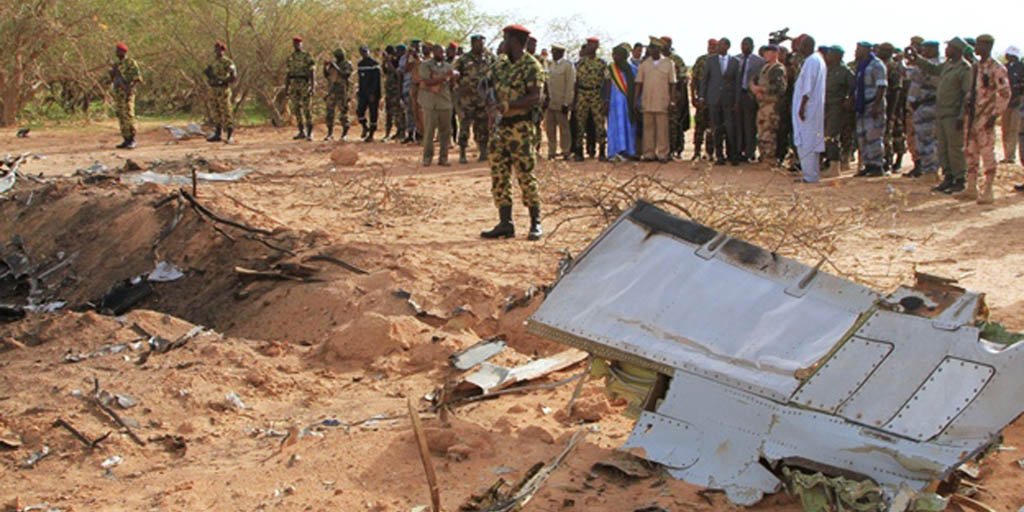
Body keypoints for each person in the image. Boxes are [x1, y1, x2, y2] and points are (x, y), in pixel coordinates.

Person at [480, 24, 544, 241]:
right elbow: (484, 83)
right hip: (500, 129)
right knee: (499, 175)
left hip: (521, 128)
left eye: (506, 39)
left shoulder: (531, 66)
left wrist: (507, 105)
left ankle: (535, 223)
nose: (503, 43)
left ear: (515, 41)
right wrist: (490, 102)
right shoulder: (501, 65)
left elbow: (535, 97)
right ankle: (505, 223)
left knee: (526, 175)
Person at [911, 37, 972, 193]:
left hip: (953, 115)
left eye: (949, 47)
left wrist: (961, 116)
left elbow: (967, 95)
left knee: (955, 148)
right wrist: (916, 58)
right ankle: (948, 177)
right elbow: (932, 69)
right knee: (943, 148)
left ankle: (960, 179)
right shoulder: (947, 65)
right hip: (941, 113)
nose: (946, 50)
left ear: (957, 50)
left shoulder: (965, 68)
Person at [962, 34, 1011, 203]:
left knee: (987, 152)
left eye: (979, 45)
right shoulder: (976, 67)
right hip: (973, 116)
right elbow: (973, 90)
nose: (976, 48)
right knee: (970, 151)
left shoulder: (996, 68)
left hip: (985, 116)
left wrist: (994, 115)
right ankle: (971, 187)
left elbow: (1005, 93)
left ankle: (988, 190)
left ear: (988, 46)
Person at [454, 35, 495, 163]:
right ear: (472, 44)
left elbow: (495, 74)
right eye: (478, 43)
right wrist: (460, 87)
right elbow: (455, 75)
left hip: (483, 98)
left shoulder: (490, 58)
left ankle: (483, 151)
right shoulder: (464, 59)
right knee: (465, 124)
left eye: (483, 43)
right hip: (467, 99)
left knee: (482, 126)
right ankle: (462, 153)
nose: (481, 46)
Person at [635, 37, 677, 162]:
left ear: (659, 49)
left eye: (654, 48)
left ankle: (663, 154)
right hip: (647, 100)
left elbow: (672, 83)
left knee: (662, 129)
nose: (652, 51)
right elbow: (639, 83)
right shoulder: (644, 64)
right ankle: (649, 153)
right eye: (650, 48)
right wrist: (635, 100)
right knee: (648, 128)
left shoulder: (669, 63)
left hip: (662, 100)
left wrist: (672, 100)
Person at [792, 35, 826, 183]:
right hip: (813, 109)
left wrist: (802, 107)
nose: (798, 49)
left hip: (808, 109)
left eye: (800, 46)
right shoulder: (817, 59)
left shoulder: (812, 61)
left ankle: (810, 176)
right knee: (810, 141)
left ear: (806, 46)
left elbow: (807, 88)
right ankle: (811, 174)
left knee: (806, 142)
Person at [701, 38, 741, 165]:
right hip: (714, 99)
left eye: (720, 45)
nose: (718, 47)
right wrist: (702, 96)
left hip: (728, 100)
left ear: (727, 47)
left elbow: (737, 83)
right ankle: (719, 155)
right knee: (716, 128)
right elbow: (705, 80)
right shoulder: (711, 61)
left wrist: (737, 100)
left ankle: (732, 155)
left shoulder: (735, 62)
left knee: (730, 128)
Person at [904, 41, 940, 178]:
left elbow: (925, 78)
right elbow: (909, 75)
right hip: (919, 108)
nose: (923, 52)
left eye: (926, 49)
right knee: (921, 140)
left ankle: (931, 171)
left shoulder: (935, 66)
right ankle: (926, 169)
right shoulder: (923, 64)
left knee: (929, 140)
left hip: (929, 106)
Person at [853, 41, 888, 176]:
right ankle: (867, 164)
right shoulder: (861, 65)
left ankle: (877, 165)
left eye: (859, 49)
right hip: (861, 105)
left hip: (872, 104)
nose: (856, 51)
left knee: (873, 136)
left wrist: (876, 105)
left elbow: (882, 86)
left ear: (866, 50)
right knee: (862, 136)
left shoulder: (877, 65)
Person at [419, 44, 457, 166]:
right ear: (433, 52)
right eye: (439, 51)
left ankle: (443, 158)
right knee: (429, 132)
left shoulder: (448, 66)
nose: (442, 54)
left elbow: (452, 84)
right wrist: (445, 77)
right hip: (430, 103)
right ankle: (427, 158)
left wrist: (453, 78)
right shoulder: (426, 65)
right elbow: (427, 81)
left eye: (443, 52)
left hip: (445, 103)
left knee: (445, 133)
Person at [573, 37, 609, 161]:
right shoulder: (579, 64)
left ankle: (602, 151)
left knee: (599, 124)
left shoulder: (602, 63)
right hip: (582, 94)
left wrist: (606, 100)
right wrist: (574, 99)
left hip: (596, 94)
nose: (590, 47)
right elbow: (576, 82)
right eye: (588, 44)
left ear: (597, 46)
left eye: (593, 45)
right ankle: (579, 151)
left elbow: (607, 81)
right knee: (580, 123)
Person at [750, 44, 786, 165]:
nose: (766, 55)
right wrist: (754, 88)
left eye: (769, 52)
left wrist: (762, 90)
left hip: (772, 106)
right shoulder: (764, 68)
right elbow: (753, 80)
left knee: (770, 132)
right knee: (762, 131)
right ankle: (764, 156)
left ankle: (770, 158)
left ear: (775, 53)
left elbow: (780, 88)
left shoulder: (778, 69)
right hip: (762, 105)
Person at [606, 43, 638, 162]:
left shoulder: (633, 70)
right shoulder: (610, 69)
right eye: (614, 55)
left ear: (624, 56)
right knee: (614, 126)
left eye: (618, 55)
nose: (615, 57)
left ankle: (628, 151)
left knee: (628, 126)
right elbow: (607, 85)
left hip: (628, 104)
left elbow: (637, 87)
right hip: (614, 104)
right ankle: (614, 151)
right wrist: (607, 100)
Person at [824, 46, 854, 169]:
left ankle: (834, 165)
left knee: (831, 136)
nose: (827, 56)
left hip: (836, 107)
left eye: (830, 54)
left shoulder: (845, 72)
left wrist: (848, 101)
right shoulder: (826, 69)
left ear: (837, 56)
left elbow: (853, 90)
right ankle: (827, 161)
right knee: (824, 135)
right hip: (825, 106)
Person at [736, 37, 765, 162]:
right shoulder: (736, 59)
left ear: (752, 46)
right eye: (743, 44)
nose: (745, 47)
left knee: (750, 125)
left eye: (747, 45)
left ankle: (749, 152)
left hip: (750, 96)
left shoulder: (759, 62)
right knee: (739, 124)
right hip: (738, 95)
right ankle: (739, 150)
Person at [661, 36, 690, 160]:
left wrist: (681, 97)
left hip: (675, 95)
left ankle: (676, 148)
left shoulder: (677, 60)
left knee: (675, 123)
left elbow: (683, 80)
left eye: (666, 43)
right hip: (659, 94)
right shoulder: (656, 59)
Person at [545, 44, 576, 160]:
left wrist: (567, 103)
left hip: (561, 102)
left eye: (554, 52)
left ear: (560, 53)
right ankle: (551, 151)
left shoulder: (568, 66)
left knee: (564, 129)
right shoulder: (551, 65)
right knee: (550, 128)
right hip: (550, 102)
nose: (552, 54)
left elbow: (570, 85)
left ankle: (566, 151)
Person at [110, 42, 142, 149]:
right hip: (119, 94)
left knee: (129, 115)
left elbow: (137, 79)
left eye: (118, 51)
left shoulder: (131, 63)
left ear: (123, 52)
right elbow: (112, 79)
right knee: (121, 115)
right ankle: (126, 139)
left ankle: (132, 139)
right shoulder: (117, 65)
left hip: (127, 93)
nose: (116, 53)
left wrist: (130, 89)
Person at [204, 41, 237, 144]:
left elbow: (234, 76)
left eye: (220, 49)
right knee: (215, 111)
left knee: (226, 111)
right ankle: (217, 134)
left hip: (223, 89)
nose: (218, 51)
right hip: (214, 89)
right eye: (216, 49)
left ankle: (230, 135)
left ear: (223, 50)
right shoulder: (213, 62)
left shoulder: (228, 62)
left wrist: (221, 80)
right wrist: (210, 78)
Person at [691, 39, 717, 160]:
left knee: (712, 127)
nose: (711, 48)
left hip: (715, 100)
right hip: (702, 99)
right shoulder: (701, 60)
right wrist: (693, 97)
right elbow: (693, 80)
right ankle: (696, 151)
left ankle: (710, 152)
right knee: (699, 126)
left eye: (713, 46)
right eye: (710, 46)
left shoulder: (719, 62)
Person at [285, 36, 315, 140]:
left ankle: (310, 132)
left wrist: (313, 85)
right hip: (294, 84)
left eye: (298, 43)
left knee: (307, 108)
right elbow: (288, 73)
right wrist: (286, 87)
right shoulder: (291, 57)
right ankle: (301, 131)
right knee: (296, 108)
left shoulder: (307, 56)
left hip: (304, 83)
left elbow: (312, 71)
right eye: (295, 43)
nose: (296, 45)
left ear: (301, 44)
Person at [323, 48, 353, 141]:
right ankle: (330, 134)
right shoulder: (334, 64)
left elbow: (345, 75)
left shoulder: (346, 64)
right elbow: (327, 75)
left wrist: (335, 65)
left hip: (342, 91)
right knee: (329, 113)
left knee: (343, 113)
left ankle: (344, 134)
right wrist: (325, 67)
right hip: (332, 90)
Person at [1001, 46, 1023, 163]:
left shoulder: (1021, 68)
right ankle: (1006, 154)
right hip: (1006, 103)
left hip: (1017, 103)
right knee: (1005, 129)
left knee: (1014, 129)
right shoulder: (1005, 68)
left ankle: (1011, 156)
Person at [356, 45, 382, 142]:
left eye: (366, 51)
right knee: (359, 111)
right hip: (363, 93)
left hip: (373, 93)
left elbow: (376, 80)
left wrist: (373, 93)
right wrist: (359, 91)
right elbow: (360, 80)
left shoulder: (374, 64)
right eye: (362, 52)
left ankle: (371, 134)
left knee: (373, 113)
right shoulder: (360, 64)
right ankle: (364, 127)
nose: (364, 53)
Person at [383, 45, 407, 142]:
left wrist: (389, 62)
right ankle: (389, 132)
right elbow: (385, 71)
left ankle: (401, 132)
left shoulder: (400, 63)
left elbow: (398, 74)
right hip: (389, 90)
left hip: (397, 90)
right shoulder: (393, 61)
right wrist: (385, 61)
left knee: (399, 113)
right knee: (389, 112)